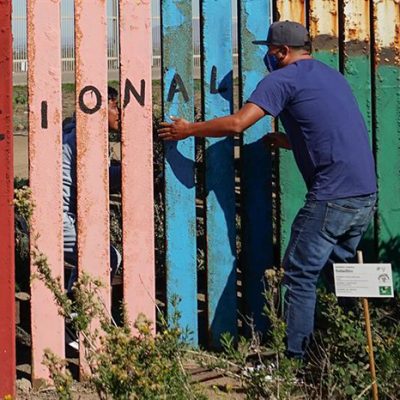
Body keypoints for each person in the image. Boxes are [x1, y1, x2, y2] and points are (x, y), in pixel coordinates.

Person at [158, 21, 377, 359]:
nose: (267, 56)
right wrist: (290, 141)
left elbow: (237, 123)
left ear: (282, 52)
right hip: (364, 194)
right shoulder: (331, 76)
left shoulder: (281, 80)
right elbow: (329, 127)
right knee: (342, 274)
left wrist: (188, 130)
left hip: (332, 196)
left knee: (299, 274)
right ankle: (351, 350)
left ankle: (294, 359)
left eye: (270, 51)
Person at [63, 86, 122, 294]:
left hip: (63, 217)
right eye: (115, 106)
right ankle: (79, 305)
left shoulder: (75, 132)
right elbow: (97, 180)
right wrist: (132, 170)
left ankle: (74, 302)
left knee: (90, 258)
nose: (119, 113)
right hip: (59, 220)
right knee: (106, 256)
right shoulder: (85, 138)